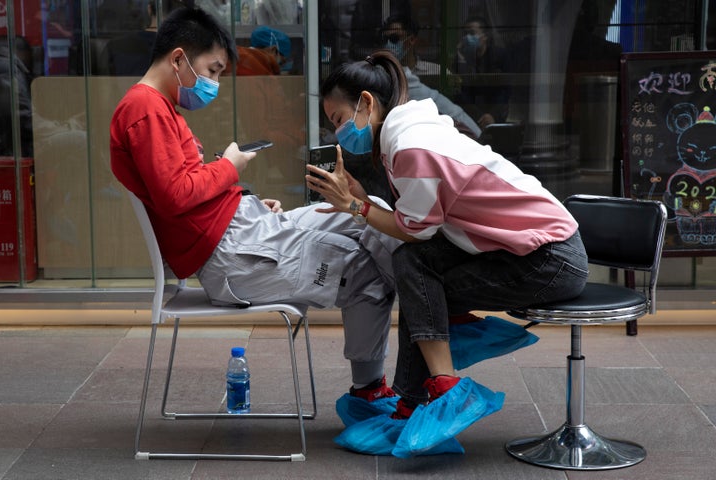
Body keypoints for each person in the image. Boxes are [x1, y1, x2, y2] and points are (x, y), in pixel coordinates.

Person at [110, 7, 402, 414]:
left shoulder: (159, 108)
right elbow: (175, 195)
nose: (213, 83)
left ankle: (437, 308)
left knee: (359, 212)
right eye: (212, 70)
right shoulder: (144, 110)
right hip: (232, 254)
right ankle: (370, 392)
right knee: (364, 268)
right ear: (178, 59)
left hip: (242, 231)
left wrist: (241, 197)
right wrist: (229, 166)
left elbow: (186, 190)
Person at [307, 50, 589, 457]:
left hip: (550, 259)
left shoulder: (411, 148)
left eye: (338, 120)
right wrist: (359, 197)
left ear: (367, 103)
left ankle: (445, 392)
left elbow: (412, 230)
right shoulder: (408, 132)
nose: (338, 134)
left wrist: (355, 206)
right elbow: (418, 225)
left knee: (416, 274)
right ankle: (416, 396)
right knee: (413, 268)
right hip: (528, 249)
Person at [380, 14, 482, 140]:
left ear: (411, 40)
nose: (389, 44)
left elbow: (456, 109)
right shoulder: (385, 77)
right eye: (385, 39)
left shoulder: (438, 72)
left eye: (395, 38)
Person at [452, 15, 511, 129]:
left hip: (495, 114)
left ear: (485, 36)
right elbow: (460, 91)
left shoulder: (499, 56)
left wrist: (492, 115)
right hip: (471, 117)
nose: (468, 37)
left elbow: (505, 90)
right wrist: (461, 59)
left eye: (472, 33)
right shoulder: (462, 59)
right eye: (465, 34)